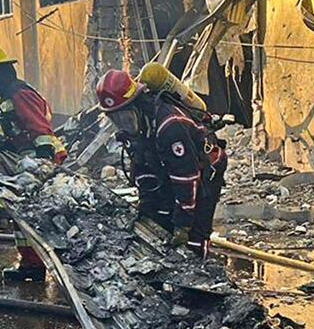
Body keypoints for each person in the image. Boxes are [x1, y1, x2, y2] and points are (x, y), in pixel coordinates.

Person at [94, 65, 227, 256]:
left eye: (125, 116)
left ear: (137, 104)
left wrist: (183, 224)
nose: (123, 123)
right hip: (174, 168)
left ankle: (201, 267)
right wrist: (147, 205)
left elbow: (186, 177)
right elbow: (142, 166)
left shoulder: (170, 126)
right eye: (117, 118)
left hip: (204, 168)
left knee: (195, 233)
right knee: (161, 218)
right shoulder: (139, 127)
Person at [0, 43, 67, 282]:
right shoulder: (5, 95)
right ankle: (31, 265)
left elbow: (40, 128)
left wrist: (43, 159)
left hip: (36, 158)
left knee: (33, 215)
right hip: (25, 157)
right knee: (23, 216)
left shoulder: (19, 93)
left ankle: (47, 263)